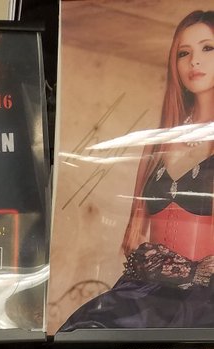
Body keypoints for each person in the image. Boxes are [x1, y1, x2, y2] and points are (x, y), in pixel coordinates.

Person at [61, 10, 214, 330]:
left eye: (207, 48)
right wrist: (160, 264)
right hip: (146, 291)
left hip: (203, 299)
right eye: (183, 53)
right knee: (84, 329)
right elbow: (132, 238)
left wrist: (191, 272)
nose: (194, 61)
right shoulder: (156, 146)